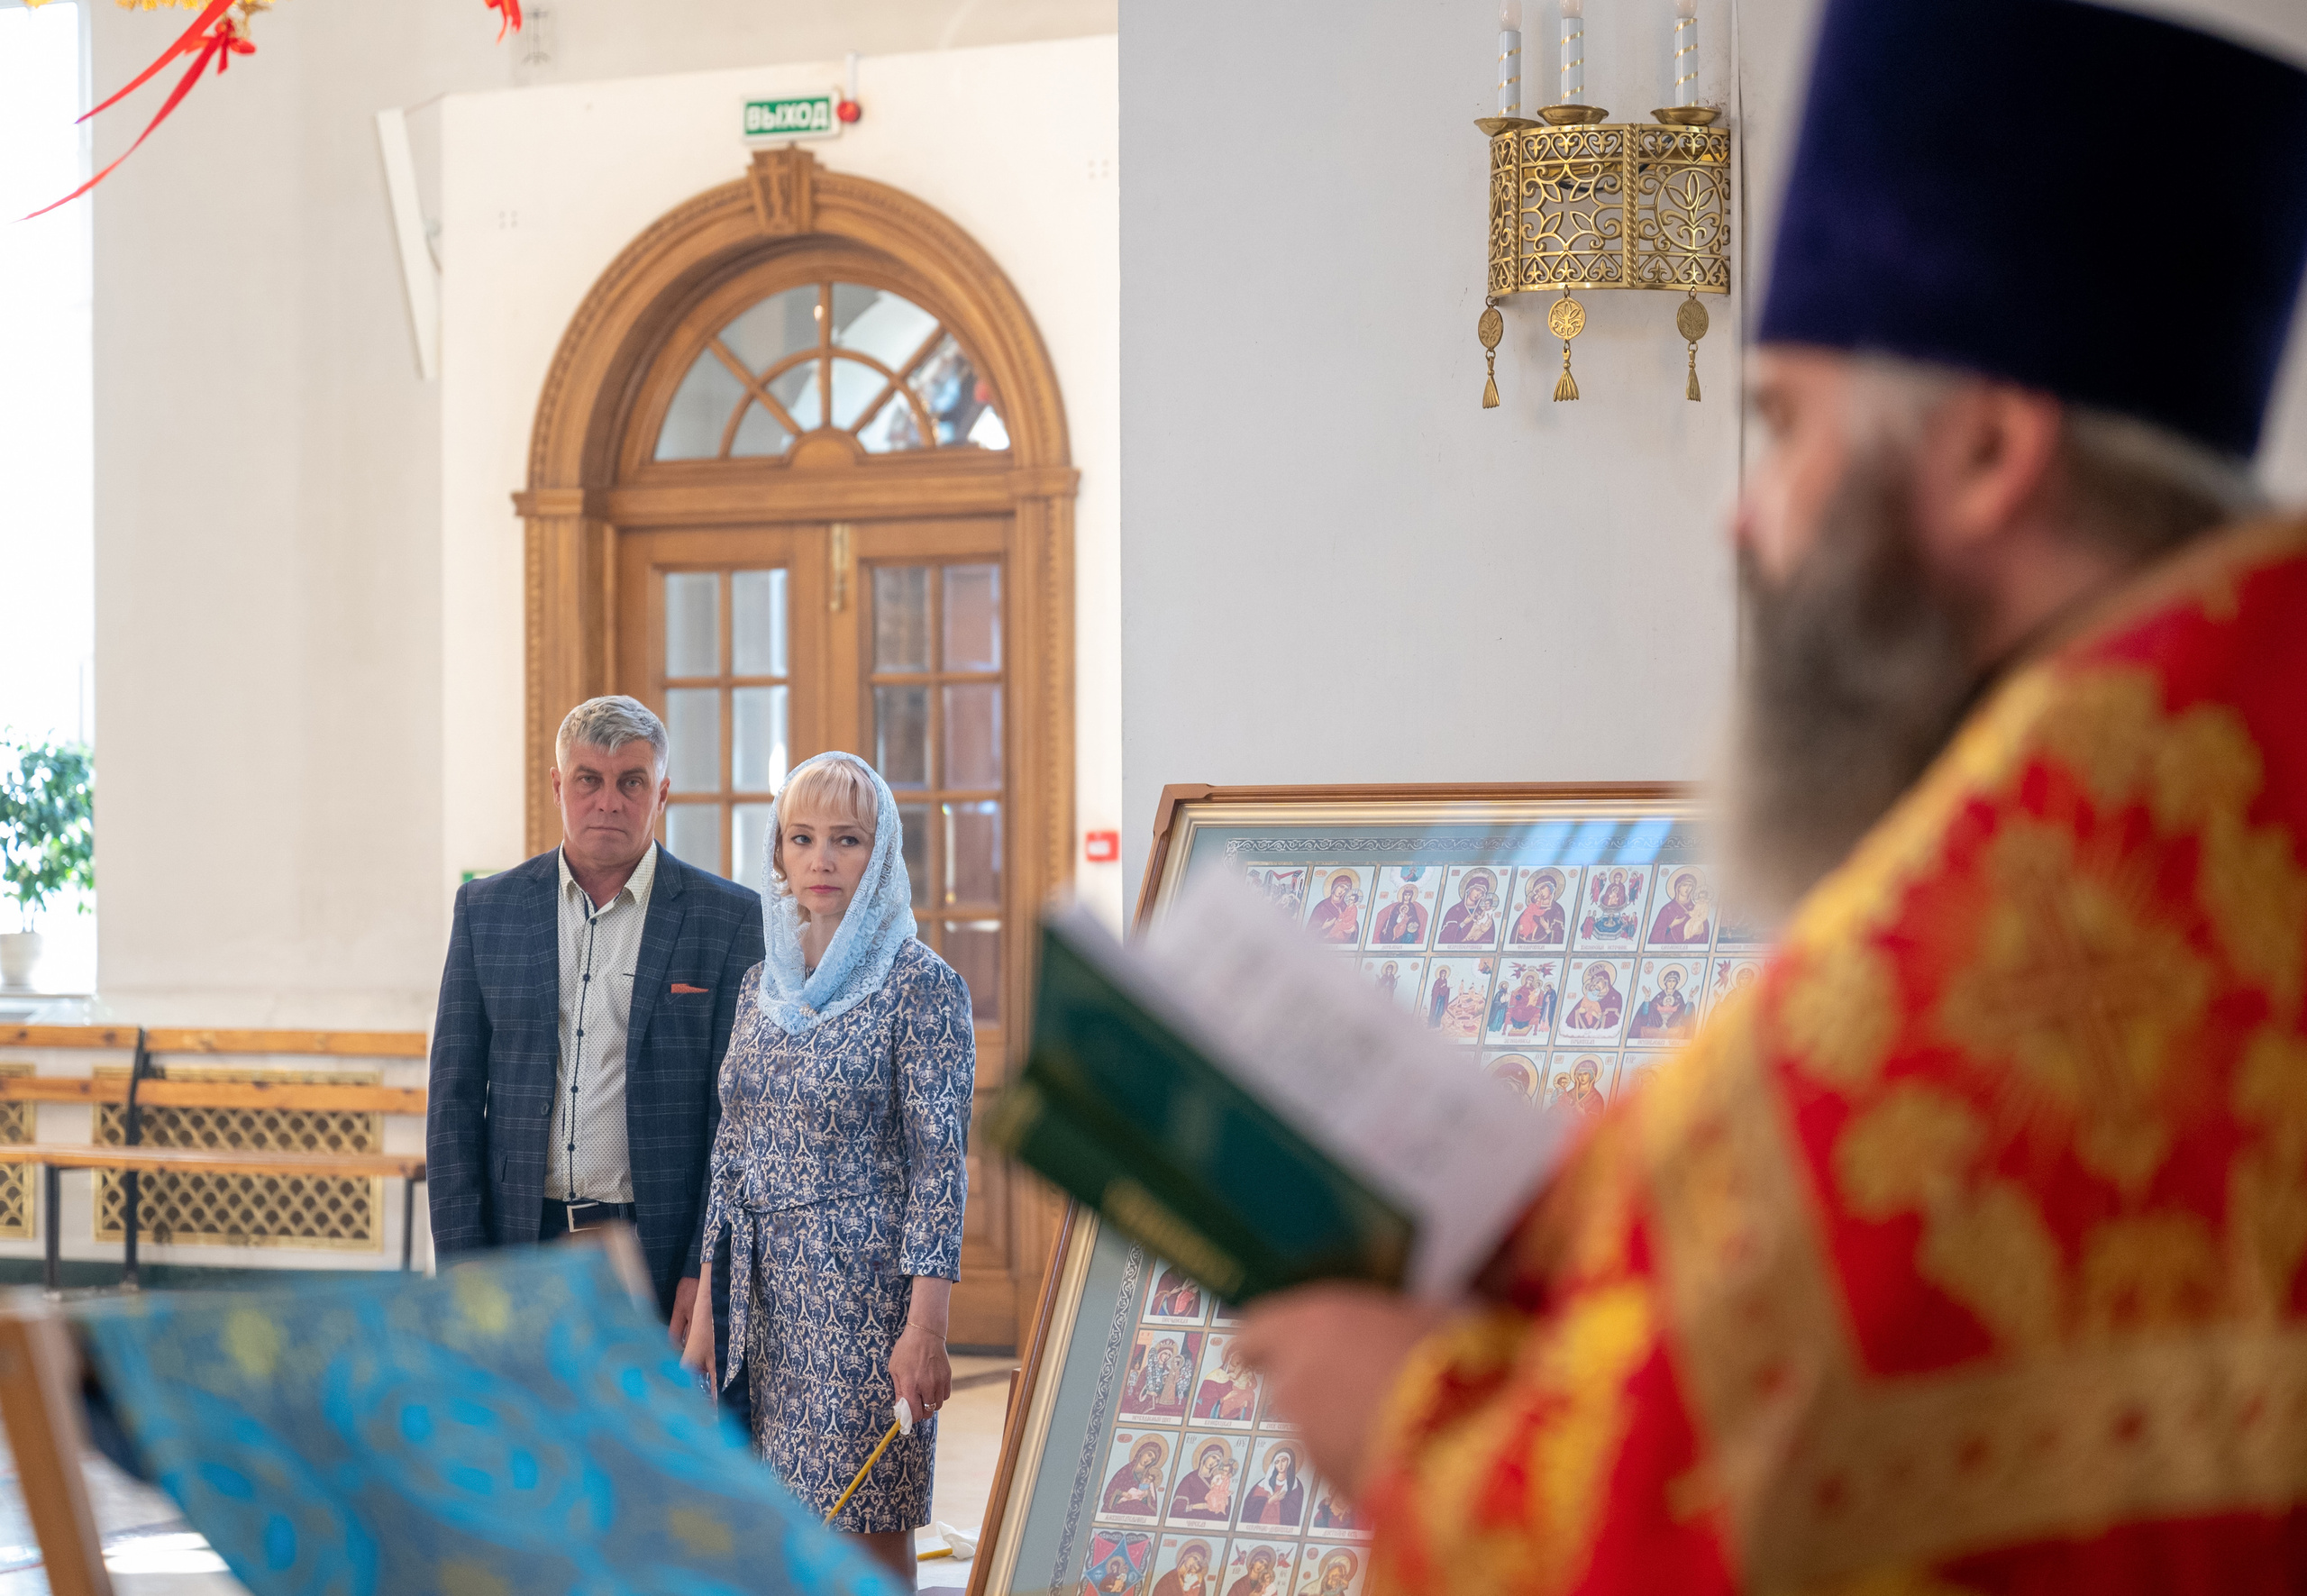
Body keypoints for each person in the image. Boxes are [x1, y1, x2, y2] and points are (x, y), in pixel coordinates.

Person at [1235, 2, 2307, 1590]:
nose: (1746, 519)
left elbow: (1665, 1535)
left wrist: (1405, 1416)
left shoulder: (2009, 952)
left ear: (1988, 452)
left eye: (1787, 425)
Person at [428, 696, 762, 1429]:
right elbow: (452, 1104)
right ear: (557, 786)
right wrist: (464, 1277)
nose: (608, 801)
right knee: (533, 1455)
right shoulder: (486, 912)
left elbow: (731, 1122)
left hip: (655, 1249)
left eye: (631, 781)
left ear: (662, 792)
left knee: (650, 1468)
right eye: (589, 779)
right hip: (524, 1246)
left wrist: (700, 1272)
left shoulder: (729, 920)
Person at [680, 752, 972, 1588]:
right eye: (801, 838)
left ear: (879, 856)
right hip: (761, 1303)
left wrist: (927, 1330)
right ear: (778, 854)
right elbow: (731, 1151)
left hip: (863, 1306)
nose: (820, 858)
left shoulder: (921, 984)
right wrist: (706, 1310)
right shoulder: (756, 986)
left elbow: (938, 1167)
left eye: (846, 839)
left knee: (866, 1531)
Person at [1628, 964, 1695, 1042]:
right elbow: (1647, 1012)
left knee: (1681, 1011)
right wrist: (1647, 997)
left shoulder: (1678, 996)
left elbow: (1685, 1014)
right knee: (1650, 1007)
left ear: (1676, 983)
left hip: (1673, 1021)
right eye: (1669, 981)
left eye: (1673, 981)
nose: (1671, 983)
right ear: (1665, 982)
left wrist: (1690, 998)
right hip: (1657, 1021)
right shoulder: (1660, 996)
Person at [1307, 871, 1363, 943]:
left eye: (1345, 889)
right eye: (1341, 886)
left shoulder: (1346, 907)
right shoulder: (1321, 907)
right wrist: (1323, 927)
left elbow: (1352, 921)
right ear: (1335, 886)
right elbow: (1309, 933)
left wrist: (1354, 928)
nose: (1342, 891)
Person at [1371, 881, 1427, 945]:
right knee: (1387, 933)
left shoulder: (1411, 907)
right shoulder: (1398, 906)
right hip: (1395, 925)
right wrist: (1385, 927)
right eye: (1406, 895)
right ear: (1403, 895)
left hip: (1405, 927)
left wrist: (1415, 924)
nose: (1407, 897)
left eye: (1409, 895)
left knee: (1408, 935)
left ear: (1411, 896)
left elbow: (1414, 918)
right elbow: (1391, 918)